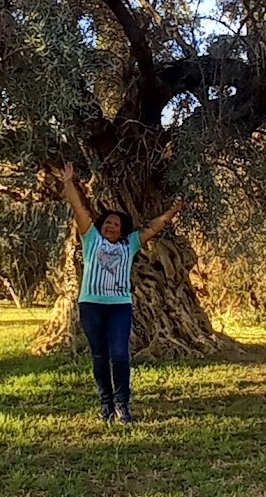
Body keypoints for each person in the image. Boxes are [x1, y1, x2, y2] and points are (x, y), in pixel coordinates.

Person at [60, 161, 184, 425]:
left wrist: (175, 209)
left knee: (119, 355)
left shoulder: (130, 245)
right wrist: (69, 182)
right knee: (100, 357)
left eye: (116, 224)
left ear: (122, 229)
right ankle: (105, 405)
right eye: (107, 223)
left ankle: (122, 405)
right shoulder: (91, 239)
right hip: (91, 306)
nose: (111, 226)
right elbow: (78, 208)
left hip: (119, 306)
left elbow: (155, 226)